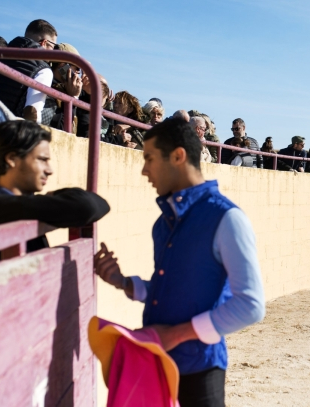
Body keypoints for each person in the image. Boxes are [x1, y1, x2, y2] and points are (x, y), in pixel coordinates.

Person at [93, 118, 265, 406]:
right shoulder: (163, 223)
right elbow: (173, 289)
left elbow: (251, 305)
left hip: (200, 370)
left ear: (178, 156)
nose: (144, 170)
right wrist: (123, 283)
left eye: (149, 158)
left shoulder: (227, 218)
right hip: (157, 361)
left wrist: (173, 335)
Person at [0, 121, 110, 265]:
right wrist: (50, 199)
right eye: (42, 160)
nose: (49, 170)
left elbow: (99, 205)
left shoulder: (3, 204)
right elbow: (88, 206)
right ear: (11, 159)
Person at [0, 19, 57, 121]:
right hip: (6, 131)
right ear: (44, 43)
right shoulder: (43, 70)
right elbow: (32, 113)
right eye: (53, 46)